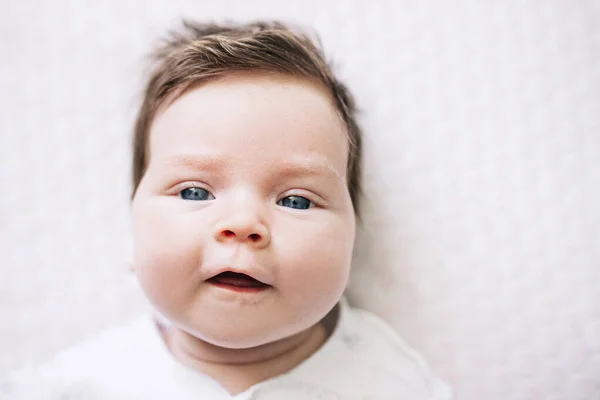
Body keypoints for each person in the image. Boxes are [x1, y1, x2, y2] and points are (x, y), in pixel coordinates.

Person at [1, 20, 452, 399]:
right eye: (195, 192)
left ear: (354, 236)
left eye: (295, 200)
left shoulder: (390, 380)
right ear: (133, 225)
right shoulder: (85, 382)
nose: (242, 224)